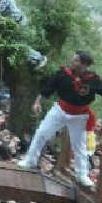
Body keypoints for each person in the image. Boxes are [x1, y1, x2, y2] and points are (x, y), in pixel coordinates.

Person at [18, 50, 102, 187]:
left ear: (84, 64)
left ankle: (82, 175)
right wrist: (37, 102)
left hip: (80, 116)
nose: (72, 62)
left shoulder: (93, 79)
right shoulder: (63, 73)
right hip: (60, 110)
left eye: (76, 60)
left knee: (79, 146)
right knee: (41, 133)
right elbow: (48, 87)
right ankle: (30, 160)